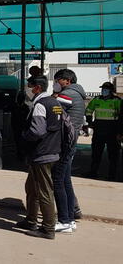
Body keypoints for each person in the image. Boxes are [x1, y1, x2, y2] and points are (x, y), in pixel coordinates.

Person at [15, 76, 62, 240]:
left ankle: (48, 228)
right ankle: (31, 220)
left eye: (30, 86)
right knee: (31, 188)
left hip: (42, 153)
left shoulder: (41, 104)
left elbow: (37, 131)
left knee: (44, 191)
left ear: (37, 88)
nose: (28, 88)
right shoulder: (55, 103)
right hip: (51, 150)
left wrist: (24, 136)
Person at [51, 69, 86, 233]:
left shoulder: (68, 95)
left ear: (66, 80)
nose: (56, 83)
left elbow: (55, 113)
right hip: (71, 141)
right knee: (66, 181)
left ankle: (64, 220)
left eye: (57, 80)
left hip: (64, 143)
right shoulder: (78, 94)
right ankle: (70, 217)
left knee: (58, 181)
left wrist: (52, 101)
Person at [84, 82, 122, 180]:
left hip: (112, 130)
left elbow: (121, 116)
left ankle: (112, 175)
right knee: (96, 153)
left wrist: (120, 132)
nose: (103, 91)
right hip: (99, 129)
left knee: (113, 154)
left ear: (111, 91)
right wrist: (89, 121)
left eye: (106, 89)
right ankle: (93, 172)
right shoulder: (96, 99)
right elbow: (88, 110)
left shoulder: (117, 101)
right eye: (103, 89)